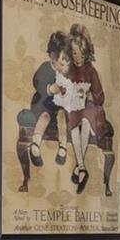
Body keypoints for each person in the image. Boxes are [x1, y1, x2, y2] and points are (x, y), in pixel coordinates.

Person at [15, 31, 72, 192]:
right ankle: (35, 146)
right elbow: (38, 82)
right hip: (43, 104)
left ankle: (62, 148)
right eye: (63, 63)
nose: (65, 67)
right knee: (45, 117)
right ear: (53, 57)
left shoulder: (66, 74)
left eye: (68, 63)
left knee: (62, 117)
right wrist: (49, 88)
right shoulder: (46, 68)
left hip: (58, 109)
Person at [66, 24, 112, 195]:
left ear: (85, 53)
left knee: (85, 122)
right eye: (74, 53)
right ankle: (82, 167)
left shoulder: (91, 71)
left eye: (80, 53)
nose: (77, 57)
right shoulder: (69, 70)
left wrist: (92, 96)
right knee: (74, 120)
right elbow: (64, 88)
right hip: (74, 107)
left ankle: (80, 168)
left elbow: (101, 96)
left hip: (89, 108)